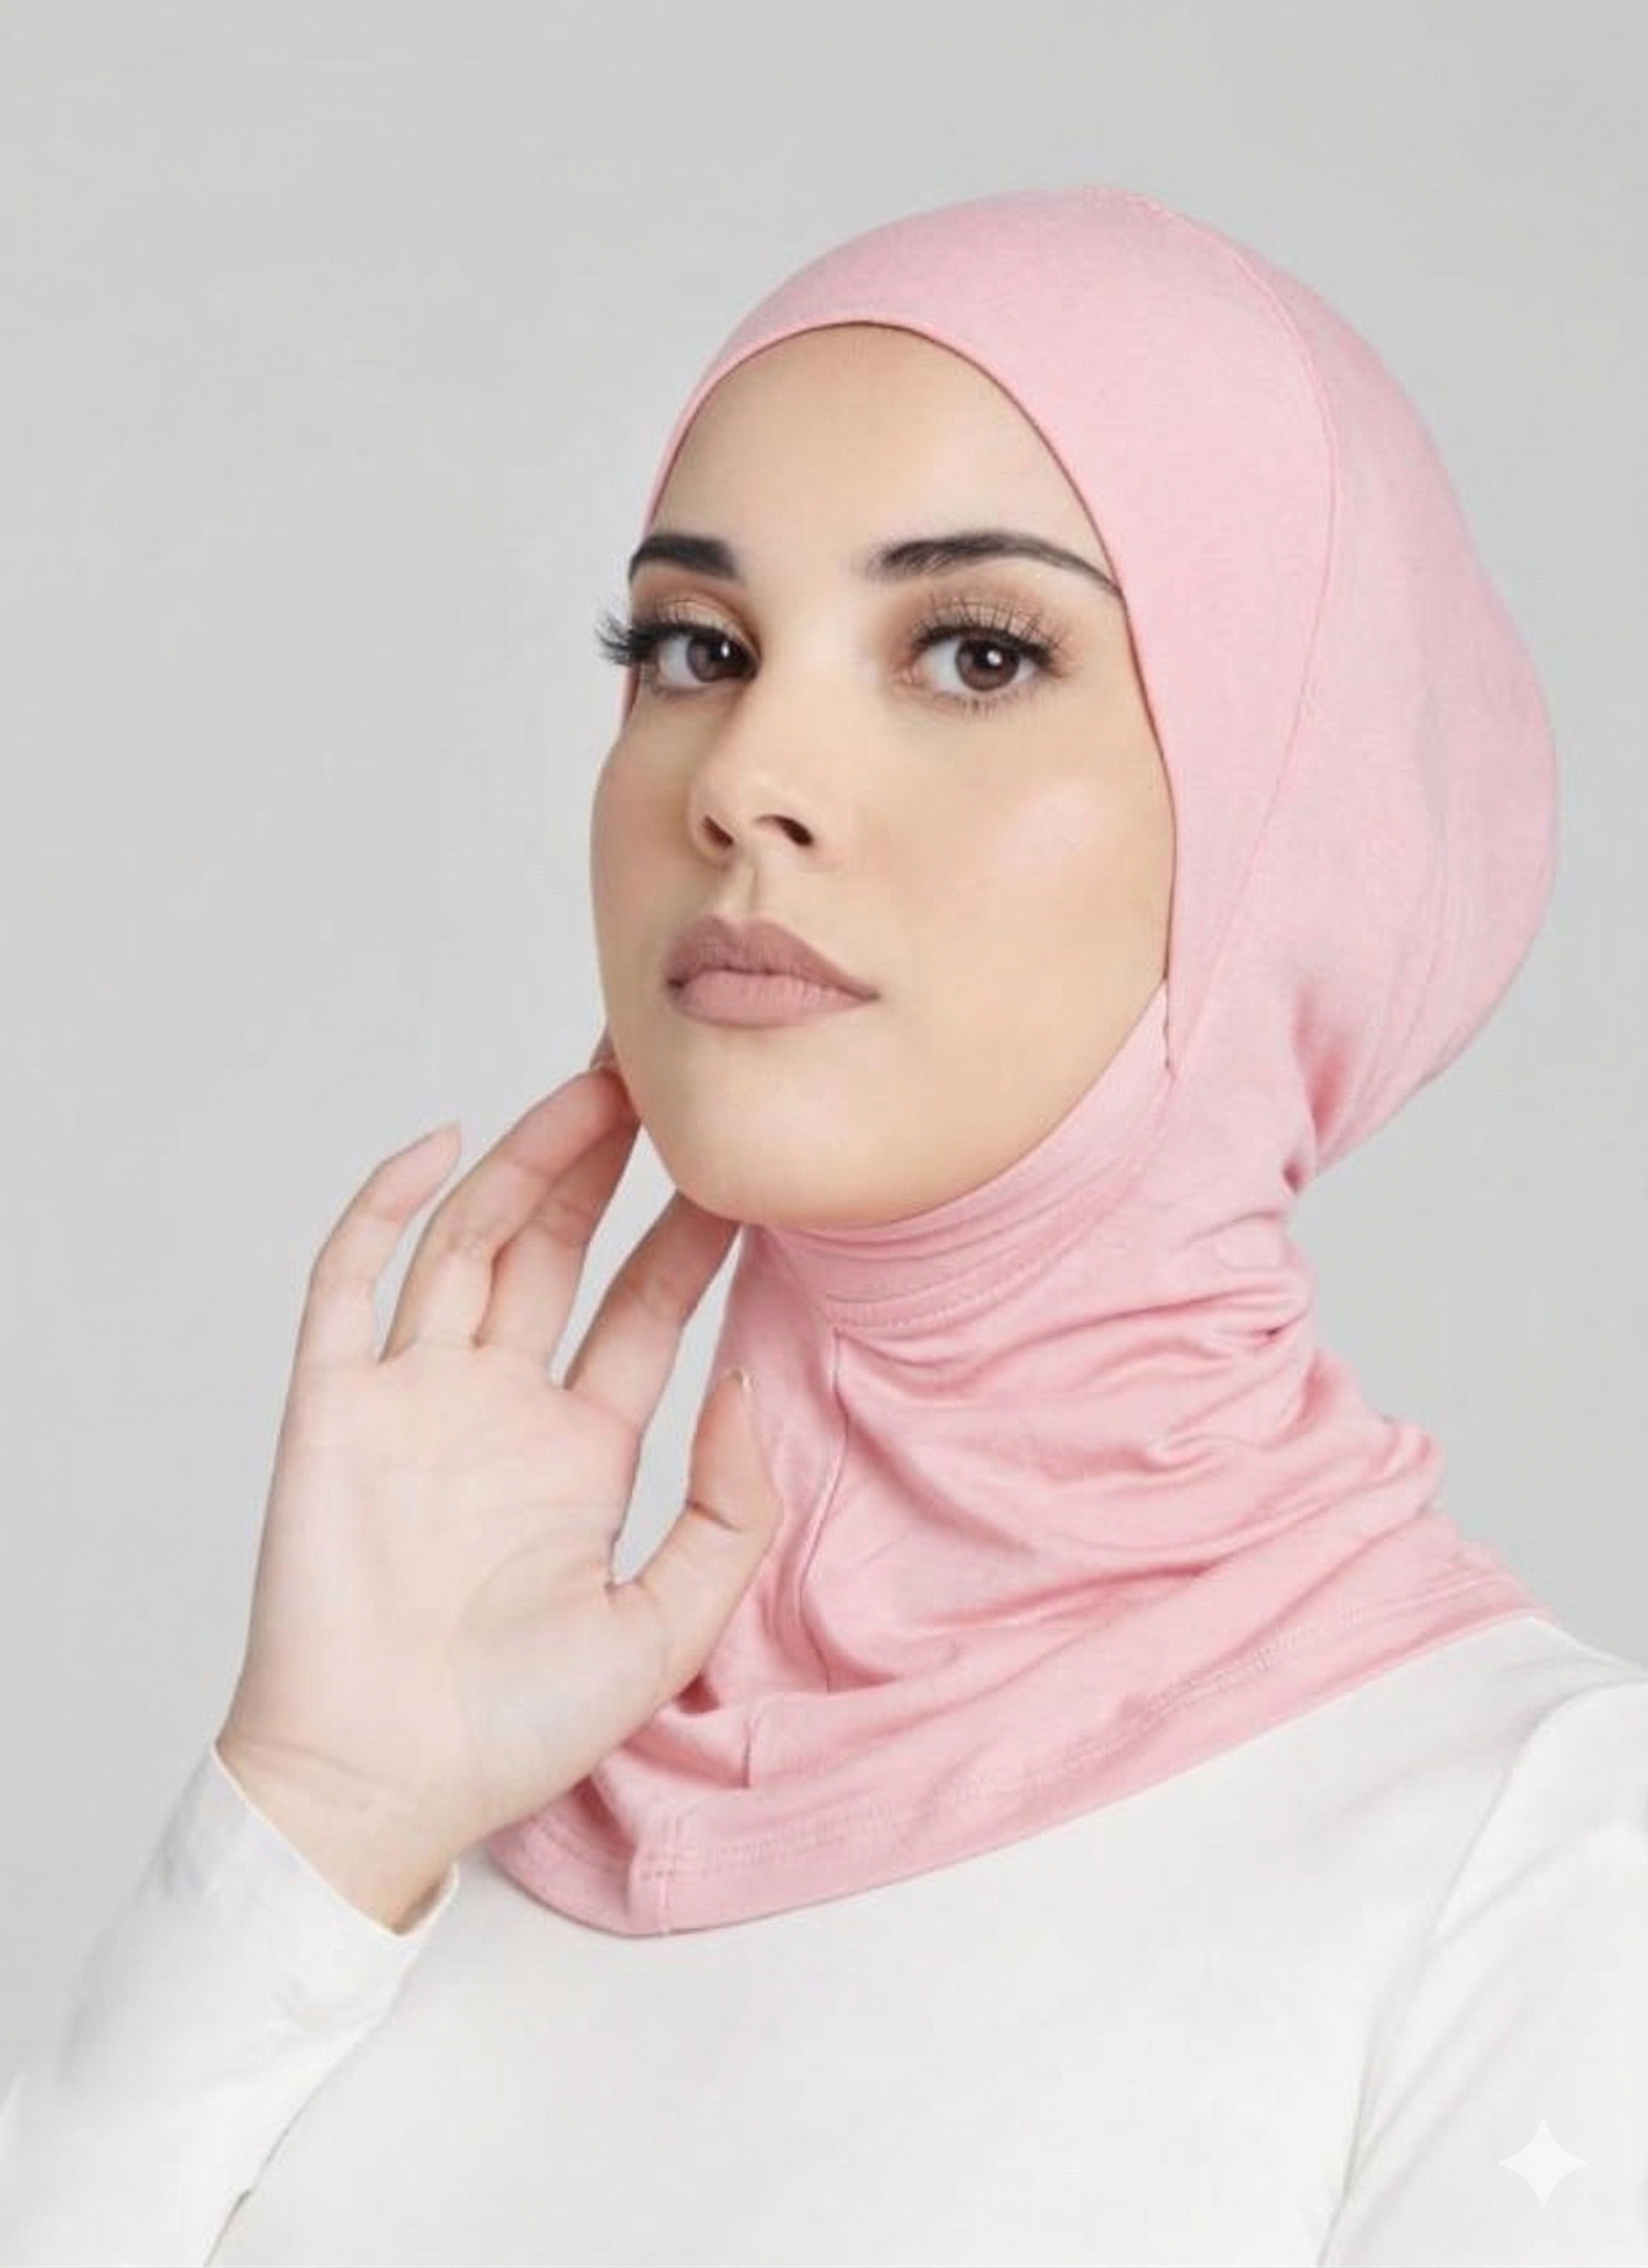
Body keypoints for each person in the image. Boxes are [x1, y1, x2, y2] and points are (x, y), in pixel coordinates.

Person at [1, 184, 1644, 2268]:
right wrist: (312, 1811)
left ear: (1292, 810)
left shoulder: (1539, 1864)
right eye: (695, 649)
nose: (747, 773)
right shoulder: (436, 1796)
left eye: (976, 652)